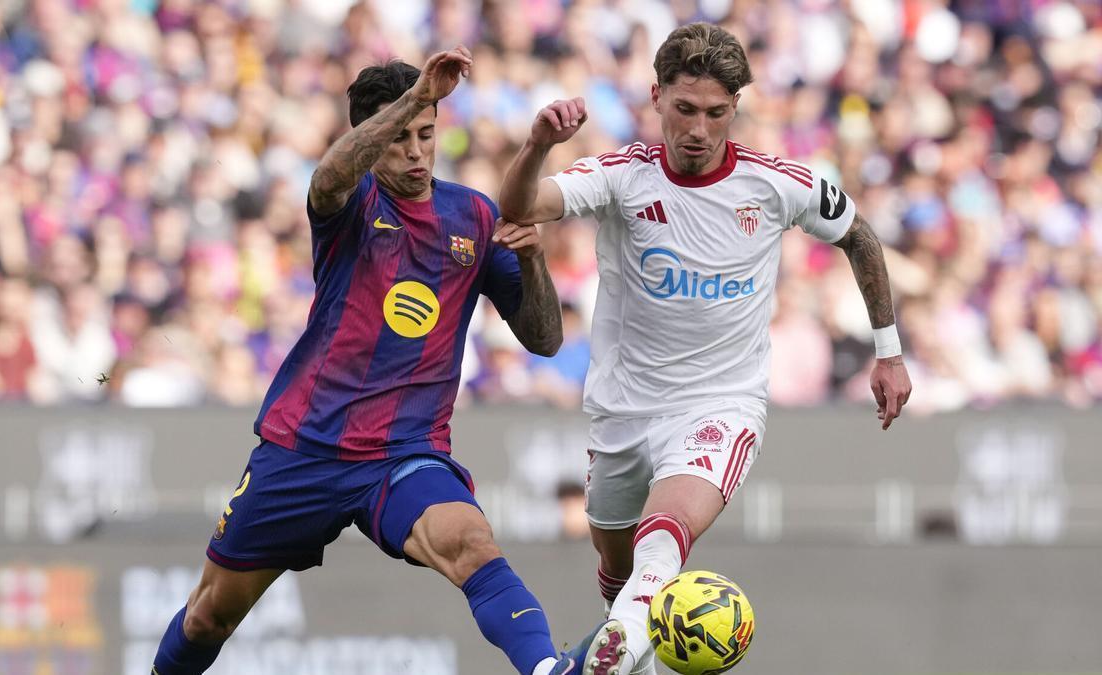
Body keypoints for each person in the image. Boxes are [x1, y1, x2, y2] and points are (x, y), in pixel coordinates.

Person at [151, 47, 628, 675]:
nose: (415, 151)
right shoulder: (349, 203)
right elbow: (325, 178)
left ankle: (546, 669)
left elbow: (543, 339)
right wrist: (413, 98)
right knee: (210, 614)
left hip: (404, 452)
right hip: (304, 447)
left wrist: (534, 256)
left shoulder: (473, 216)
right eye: (399, 137)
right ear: (370, 140)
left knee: (471, 544)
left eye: (427, 134)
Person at [497, 23, 912, 674]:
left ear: (735, 110)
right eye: (685, 109)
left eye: (716, 113)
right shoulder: (621, 177)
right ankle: (628, 648)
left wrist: (888, 350)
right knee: (618, 568)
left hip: (719, 404)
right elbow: (519, 205)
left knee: (663, 541)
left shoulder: (776, 184)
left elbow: (857, 235)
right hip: (622, 409)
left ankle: (604, 661)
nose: (698, 129)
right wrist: (536, 145)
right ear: (657, 96)